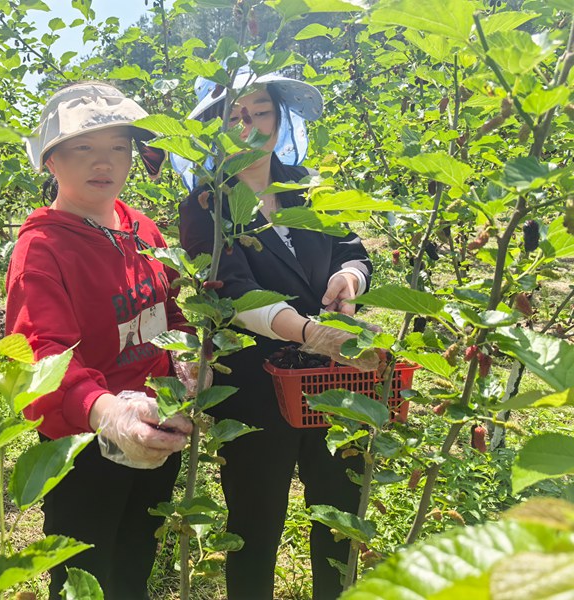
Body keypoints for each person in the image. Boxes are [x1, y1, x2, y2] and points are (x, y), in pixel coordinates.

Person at [176, 66, 382, 600]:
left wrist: (348, 277)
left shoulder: (304, 187)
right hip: (251, 385)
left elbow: (351, 248)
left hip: (334, 380)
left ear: (279, 118)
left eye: (260, 111)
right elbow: (232, 291)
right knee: (255, 517)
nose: (249, 125)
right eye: (235, 115)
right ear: (217, 128)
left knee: (338, 507)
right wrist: (311, 332)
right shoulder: (206, 206)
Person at [5, 81, 195, 600]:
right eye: (83, 148)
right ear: (50, 159)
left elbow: (172, 310)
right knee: (83, 568)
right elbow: (42, 353)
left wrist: (187, 357)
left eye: (118, 147)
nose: (103, 162)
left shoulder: (143, 230)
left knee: (138, 548)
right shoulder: (42, 249)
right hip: (85, 440)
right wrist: (109, 413)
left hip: (157, 422)